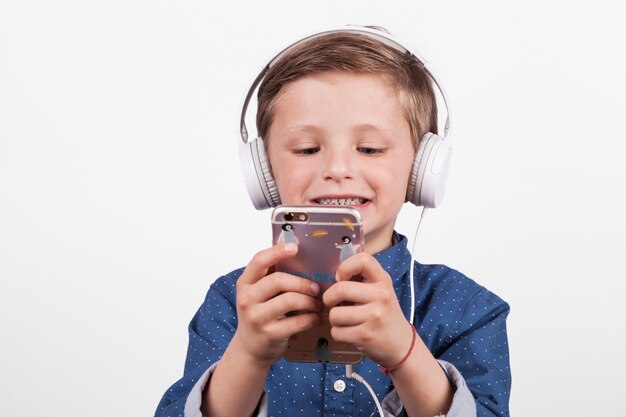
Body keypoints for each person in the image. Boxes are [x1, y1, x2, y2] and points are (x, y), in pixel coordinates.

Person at [155, 25, 511, 417]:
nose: (338, 168)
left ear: (422, 169)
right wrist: (248, 354)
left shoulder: (467, 309)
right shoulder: (233, 302)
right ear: (265, 174)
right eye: (307, 148)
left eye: (370, 148)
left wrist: (404, 351)